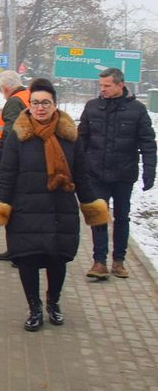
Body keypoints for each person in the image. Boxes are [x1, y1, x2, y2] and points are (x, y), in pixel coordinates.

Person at [0, 78, 109, 331]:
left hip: (59, 209)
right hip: (25, 210)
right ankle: (34, 308)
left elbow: (82, 176)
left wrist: (93, 210)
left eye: (46, 103)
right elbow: (7, 175)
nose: (40, 108)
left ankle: (54, 303)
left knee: (57, 259)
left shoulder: (69, 136)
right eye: (36, 103)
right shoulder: (18, 137)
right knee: (27, 260)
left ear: (55, 105)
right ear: (29, 106)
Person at [78, 67, 156, 280]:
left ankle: (118, 261)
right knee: (98, 216)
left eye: (107, 85)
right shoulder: (92, 107)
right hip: (96, 173)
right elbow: (81, 140)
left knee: (122, 217)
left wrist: (150, 170)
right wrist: (78, 167)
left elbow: (148, 143)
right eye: (101, 85)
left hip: (123, 174)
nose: (102, 89)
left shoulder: (137, 110)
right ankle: (99, 262)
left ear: (120, 85)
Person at [0, 69, 31, 262]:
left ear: (5, 88)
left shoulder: (14, 102)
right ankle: (16, 249)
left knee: (14, 207)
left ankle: (18, 251)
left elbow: (11, 133)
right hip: (28, 161)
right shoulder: (28, 95)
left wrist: (5, 159)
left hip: (16, 164)